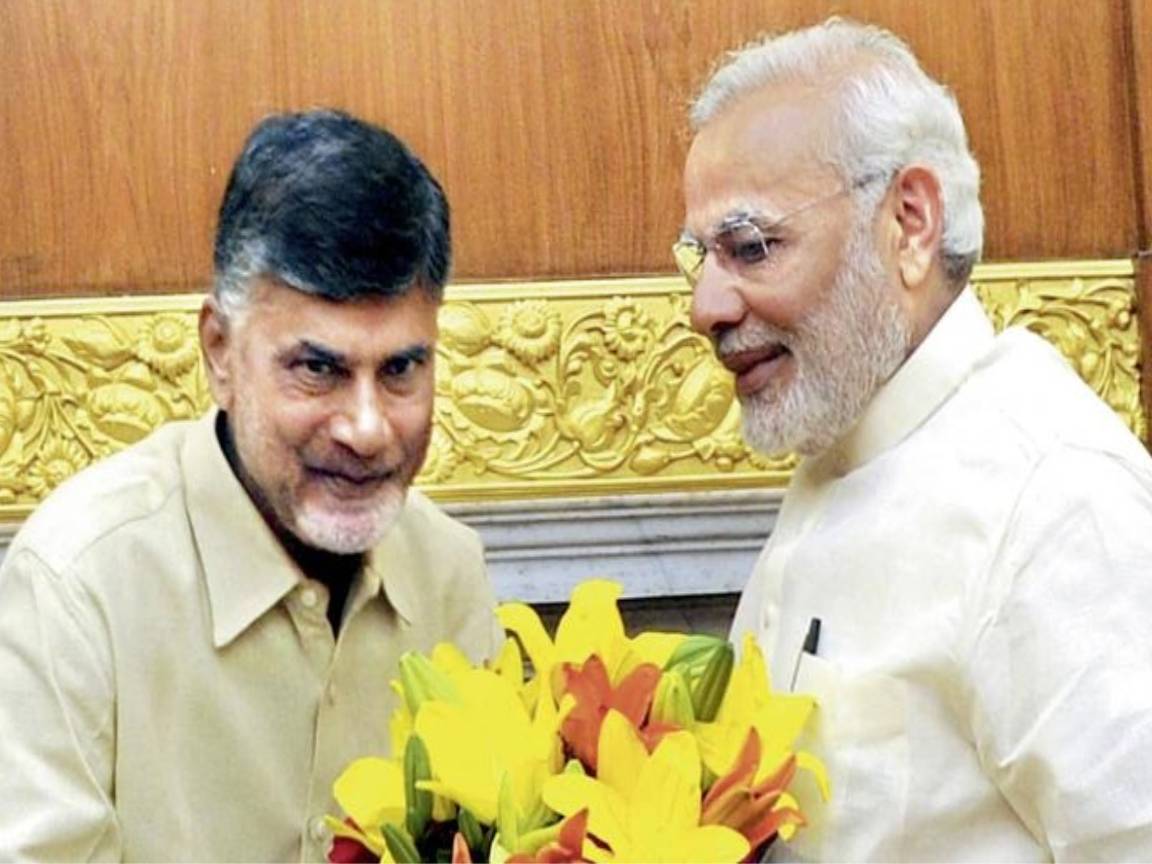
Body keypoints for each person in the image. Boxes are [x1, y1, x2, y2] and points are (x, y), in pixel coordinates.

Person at [676, 18, 1152, 861]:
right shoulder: (842, 434)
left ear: (909, 221)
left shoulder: (1054, 500)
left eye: (751, 247)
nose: (706, 306)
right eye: (700, 257)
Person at [0, 109, 502, 861]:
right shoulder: (78, 586)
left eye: (401, 369)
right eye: (318, 368)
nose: (367, 429)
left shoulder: (449, 573)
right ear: (220, 354)